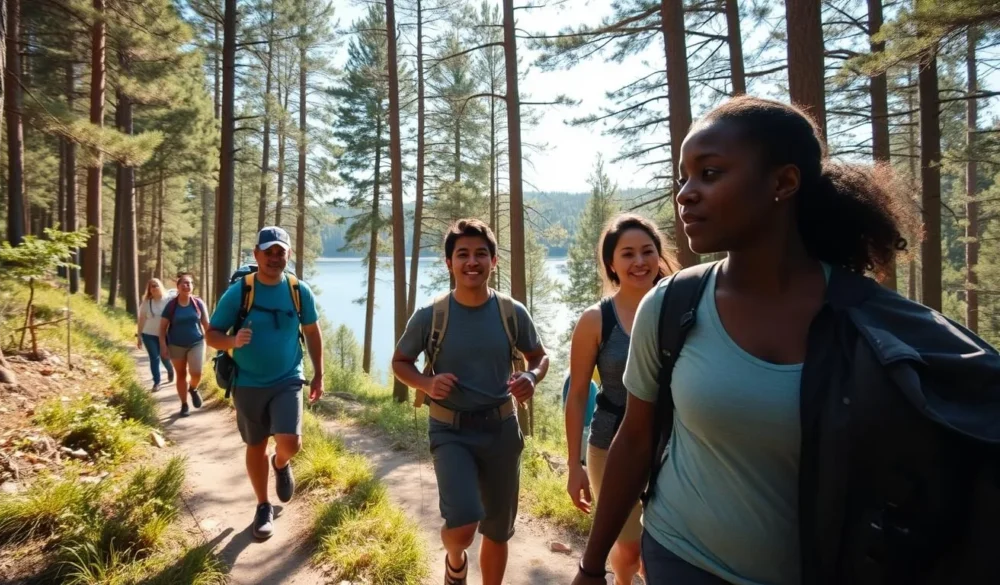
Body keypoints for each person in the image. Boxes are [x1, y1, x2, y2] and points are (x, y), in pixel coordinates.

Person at [572, 96, 1000, 585]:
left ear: (783, 182)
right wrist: (591, 566)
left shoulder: (871, 325)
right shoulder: (672, 306)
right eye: (682, 178)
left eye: (709, 174)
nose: (685, 194)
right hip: (679, 558)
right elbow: (637, 435)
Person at [392, 218, 549, 585]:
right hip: (451, 431)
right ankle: (455, 560)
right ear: (449, 263)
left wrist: (530, 376)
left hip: (502, 430)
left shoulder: (512, 312)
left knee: (497, 530)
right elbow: (400, 362)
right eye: (462, 254)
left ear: (494, 261)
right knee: (462, 526)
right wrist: (427, 383)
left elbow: (540, 356)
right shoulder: (432, 315)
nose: (472, 262)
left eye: (481, 253)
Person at [565, 214, 678, 585]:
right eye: (627, 254)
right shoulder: (596, 320)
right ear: (611, 263)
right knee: (628, 548)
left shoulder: (679, 309)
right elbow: (578, 392)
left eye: (648, 251)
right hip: (610, 447)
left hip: (675, 448)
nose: (639, 261)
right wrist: (573, 465)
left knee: (661, 549)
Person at [205, 226, 324, 541]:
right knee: (255, 445)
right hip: (247, 382)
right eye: (268, 251)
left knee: (290, 443)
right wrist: (233, 340)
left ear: (288, 256)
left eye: (280, 252)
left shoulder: (299, 290)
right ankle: (262, 506)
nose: (274, 258)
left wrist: (319, 374)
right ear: (256, 254)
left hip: (287, 377)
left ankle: (281, 463)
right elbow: (212, 334)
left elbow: (311, 332)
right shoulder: (241, 291)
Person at [159, 273, 209, 417]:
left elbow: (206, 324)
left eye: (189, 283)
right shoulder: (171, 306)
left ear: (192, 287)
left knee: (197, 372)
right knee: (181, 374)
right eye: (184, 283)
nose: (187, 286)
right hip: (176, 344)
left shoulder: (198, 303)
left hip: (196, 342)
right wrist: (163, 346)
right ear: (178, 287)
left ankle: (193, 388)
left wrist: (213, 339)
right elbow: (162, 328)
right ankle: (184, 405)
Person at [137, 277, 175, 392]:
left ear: (160, 286)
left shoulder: (168, 299)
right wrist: (139, 336)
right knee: (154, 358)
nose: (153, 288)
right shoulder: (147, 302)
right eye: (151, 287)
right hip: (149, 334)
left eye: (155, 285)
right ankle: (156, 382)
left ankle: (170, 369)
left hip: (165, 334)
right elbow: (142, 319)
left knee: (165, 357)